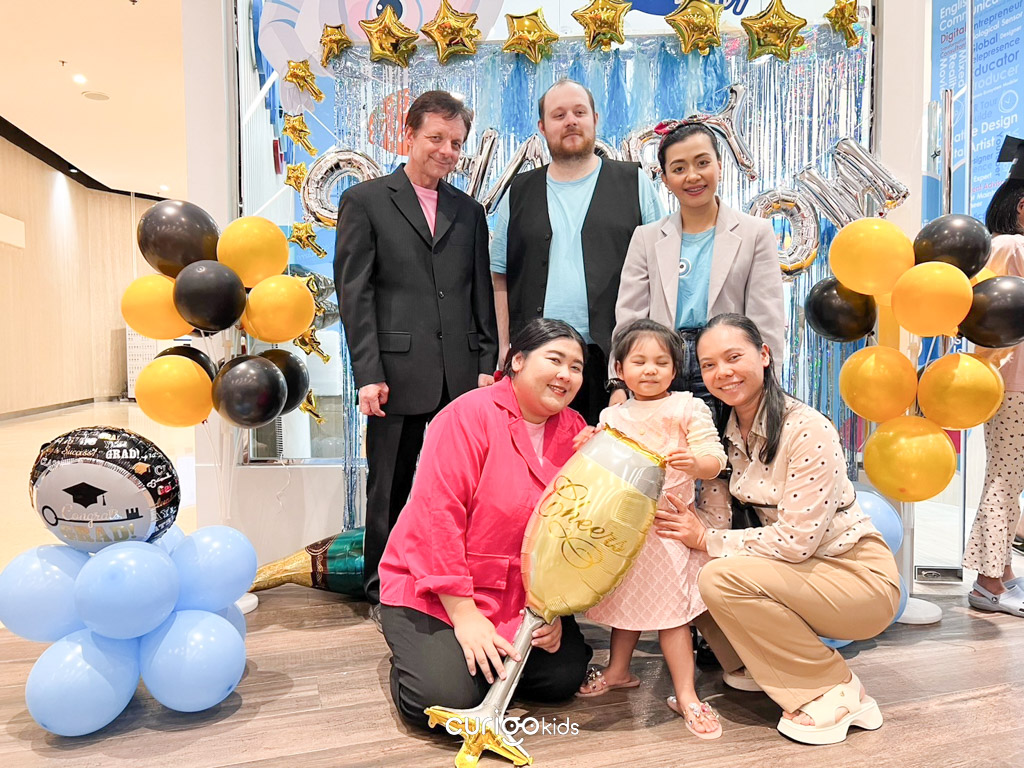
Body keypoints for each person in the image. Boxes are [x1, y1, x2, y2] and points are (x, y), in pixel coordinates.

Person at [657, 314, 900, 745]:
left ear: (764, 355)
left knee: (718, 572)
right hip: (796, 573)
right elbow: (715, 521)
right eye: (709, 365)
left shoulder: (807, 428)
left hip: (857, 577)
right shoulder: (724, 435)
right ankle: (760, 665)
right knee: (691, 565)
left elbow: (796, 542)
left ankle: (837, 690)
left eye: (734, 357)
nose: (722, 372)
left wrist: (707, 539)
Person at [377, 319, 593, 730]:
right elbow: (437, 517)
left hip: (519, 594)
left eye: (576, 367)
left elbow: (572, 531)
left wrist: (553, 613)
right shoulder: (466, 415)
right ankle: (413, 654)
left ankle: (474, 666)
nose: (566, 374)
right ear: (517, 361)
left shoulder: (576, 431)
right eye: (555, 360)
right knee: (447, 703)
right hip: (437, 588)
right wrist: (465, 615)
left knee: (562, 678)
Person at [334, 91, 498, 615]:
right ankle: (381, 588)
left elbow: (479, 293)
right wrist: (368, 373)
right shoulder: (365, 201)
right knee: (389, 485)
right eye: (436, 138)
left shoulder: (469, 212)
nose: (447, 150)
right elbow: (355, 294)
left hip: (461, 375)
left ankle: (454, 581)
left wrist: (486, 364)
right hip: (395, 372)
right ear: (408, 136)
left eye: (457, 142)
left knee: (463, 489)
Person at [575, 319, 726, 740]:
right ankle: (618, 671)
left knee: (673, 616)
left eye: (661, 362)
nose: (650, 370)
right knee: (626, 604)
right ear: (619, 369)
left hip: (669, 527)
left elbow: (714, 457)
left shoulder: (687, 407)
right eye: (639, 361)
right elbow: (602, 467)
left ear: (675, 370)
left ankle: (686, 694)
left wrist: (696, 464)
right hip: (625, 528)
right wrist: (589, 444)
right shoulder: (612, 414)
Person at [490, 79, 666, 425]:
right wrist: (505, 347)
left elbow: (660, 273)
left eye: (579, 112)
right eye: (558, 115)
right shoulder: (519, 190)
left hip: (615, 360)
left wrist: (649, 353)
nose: (570, 121)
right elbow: (500, 275)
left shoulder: (634, 182)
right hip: (536, 358)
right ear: (542, 127)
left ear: (595, 120)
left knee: (611, 456)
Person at [613, 122, 785, 421]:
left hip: (725, 365)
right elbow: (629, 317)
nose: (692, 176)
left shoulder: (755, 232)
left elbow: (766, 317)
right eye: (679, 168)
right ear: (665, 179)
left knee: (726, 446)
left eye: (702, 163)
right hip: (663, 366)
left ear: (719, 166)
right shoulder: (646, 237)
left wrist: (771, 384)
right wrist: (618, 384)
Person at [965, 135, 1024, 616]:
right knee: (1005, 480)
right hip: (1015, 381)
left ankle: (1000, 574)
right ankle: (988, 584)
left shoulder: (997, 246)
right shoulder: (1013, 247)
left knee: (1007, 478)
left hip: (1005, 381)